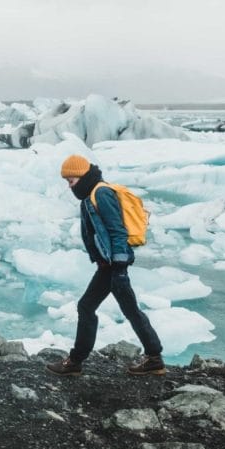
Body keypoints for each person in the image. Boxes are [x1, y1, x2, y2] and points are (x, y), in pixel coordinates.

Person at [46, 154, 165, 376]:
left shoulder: (100, 193)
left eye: (71, 181)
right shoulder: (91, 195)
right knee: (102, 307)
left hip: (114, 265)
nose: (70, 186)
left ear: (81, 176)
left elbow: (117, 230)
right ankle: (153, 358)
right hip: (107, 265)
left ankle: (76, 362)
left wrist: (119, 266)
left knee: (100, 308)